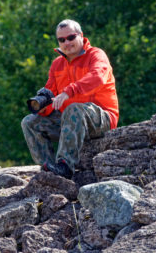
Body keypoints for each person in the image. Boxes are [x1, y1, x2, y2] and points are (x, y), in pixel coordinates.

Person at [21, 19, 119, 179]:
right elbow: (51, 97)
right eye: (61, 40)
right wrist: (42, 106)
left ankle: (65, 166)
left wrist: (69, 91)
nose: (66, 42)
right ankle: (49, 171)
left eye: (71, 37)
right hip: (71, 121)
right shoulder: (57, 65)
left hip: (102, 119)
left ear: (81, 35)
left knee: (73, 109)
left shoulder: (96, 55)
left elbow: (98, 77)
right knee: (30, 122)